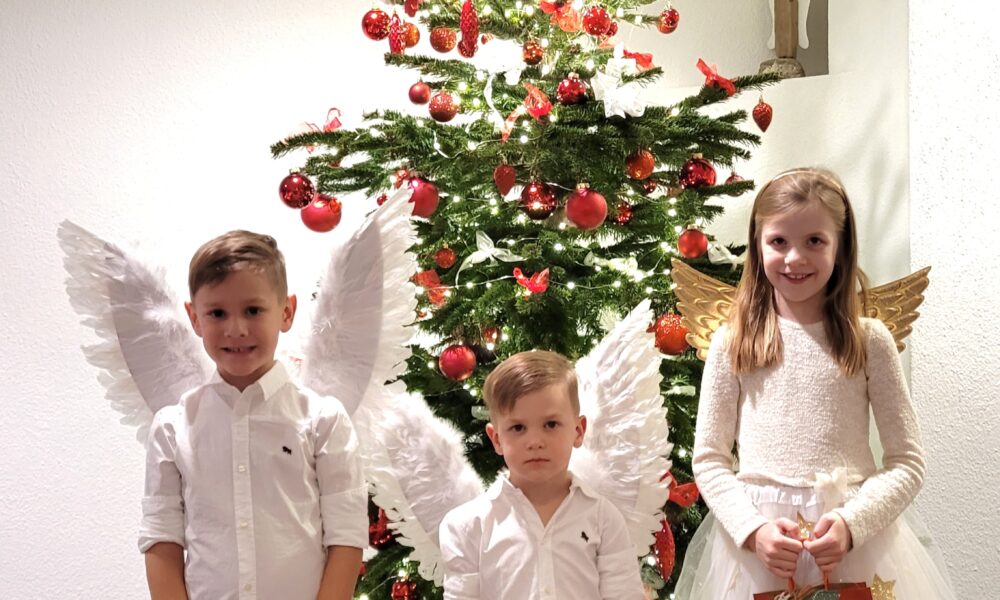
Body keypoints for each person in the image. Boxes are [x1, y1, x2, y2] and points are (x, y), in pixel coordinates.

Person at [675, 168, 955, 598]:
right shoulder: (732, 342)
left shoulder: (869, 340)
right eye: (778, 242)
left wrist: (851, 523)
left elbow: (908, 462)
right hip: (759, 553)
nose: (795, 258)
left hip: (855, 547)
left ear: (841, 247)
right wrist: (752, 530)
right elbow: (710, 461)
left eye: (814, 241)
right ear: (757, 245)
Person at [138, 231, 367, 600]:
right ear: (194, 318)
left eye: (253, 310)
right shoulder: (172, 428)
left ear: (286, 311)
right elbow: (161, 536)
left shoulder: (323, 421)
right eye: (217, 313)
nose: (236, 329)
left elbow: (346, 534)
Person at [438, 350, 644, 600]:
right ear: (497, 439)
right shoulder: (468, 525)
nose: (535, 441)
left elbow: (624, 595)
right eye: (518, 427)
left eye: (551, 424)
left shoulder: (604, 519)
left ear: (578, 431)